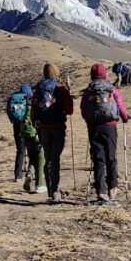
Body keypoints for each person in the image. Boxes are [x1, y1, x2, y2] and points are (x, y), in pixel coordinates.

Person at [80, 63, 130, 204]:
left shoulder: (88, 91)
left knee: (98, 158)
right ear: (105, 74)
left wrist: (89, 120)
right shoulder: (111, 89)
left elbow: (83, 109)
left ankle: (101, 191)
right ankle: (112, 187)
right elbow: (120, 105)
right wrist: (125, 117)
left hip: (94, 127)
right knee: (111, 156)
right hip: (110, 126)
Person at [31, 63, 74, 203]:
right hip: (58, 127)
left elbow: (33, 111)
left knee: (48, 158)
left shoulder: (38, 89)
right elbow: (70, 110)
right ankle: (55, 190)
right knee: (55, 159)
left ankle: (50, 189)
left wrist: (36, 125)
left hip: (43, 128)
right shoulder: (60, 88)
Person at [6, 84, 33, 182]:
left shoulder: (13, 98)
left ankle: (17, 175)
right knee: (32, 149)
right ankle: (31, 172)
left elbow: (8, 112)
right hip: (27, 125)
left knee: (20, 150)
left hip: (17, 125)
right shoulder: (28, 97)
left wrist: (13, 121)